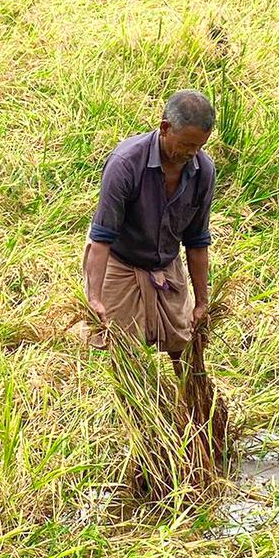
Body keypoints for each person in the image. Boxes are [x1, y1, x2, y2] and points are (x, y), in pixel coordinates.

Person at [83, 89, 215, 366]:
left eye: (199, 146)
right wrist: (94, 296)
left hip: (166, 263)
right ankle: (133, 407)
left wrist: (202, 301)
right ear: (165, 128)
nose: (191, 153)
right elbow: (102, 236)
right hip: (121, 263)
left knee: (187, 347)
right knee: (125, 355)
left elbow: (197, 240)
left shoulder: (203, 170)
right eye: (186, 144)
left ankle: (191, 402)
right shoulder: (125, 164)